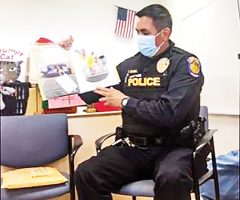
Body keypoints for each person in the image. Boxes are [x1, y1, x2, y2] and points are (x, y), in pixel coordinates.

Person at [61, 4, 204, 200]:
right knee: (86, 173)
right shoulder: (129, 66)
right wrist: (69, 60)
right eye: (137, 32)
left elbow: (170, 113)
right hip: (135, 148)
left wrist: (126, 102)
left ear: (165, 33)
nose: (139, 37)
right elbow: (89, 94)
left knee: (172, 177)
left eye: (145, 32)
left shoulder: (185, 64)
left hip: (173, 147)